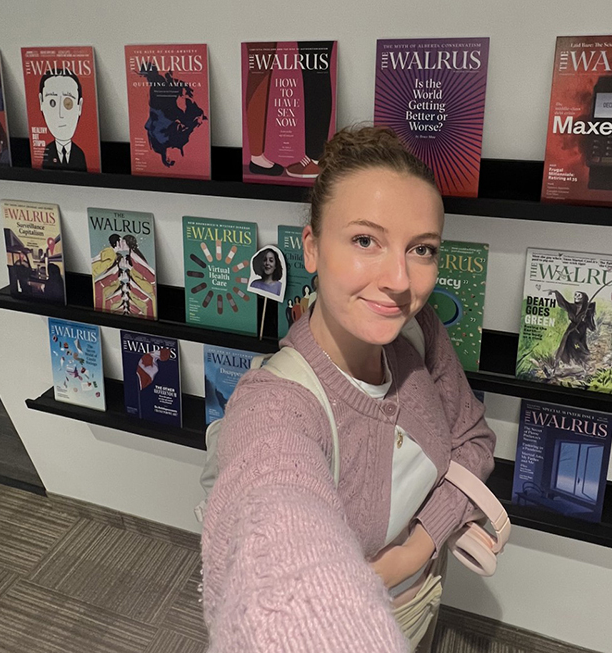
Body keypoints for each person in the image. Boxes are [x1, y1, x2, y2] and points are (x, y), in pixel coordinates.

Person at [202, 125, 496, 651]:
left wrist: (415, 549)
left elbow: (474, 443)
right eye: (366, 241)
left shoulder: (418, 332)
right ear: (311, 248)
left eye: (422, 249)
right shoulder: (276, 407)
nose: (400, 280)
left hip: (422, 598)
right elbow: (278, 541)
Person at [38, 68, 87, 171]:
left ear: (80, 106)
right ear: (41, 102)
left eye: (68, 104)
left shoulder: (81, 154)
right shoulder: (44, 153)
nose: (60, 114)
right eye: (52, 103)